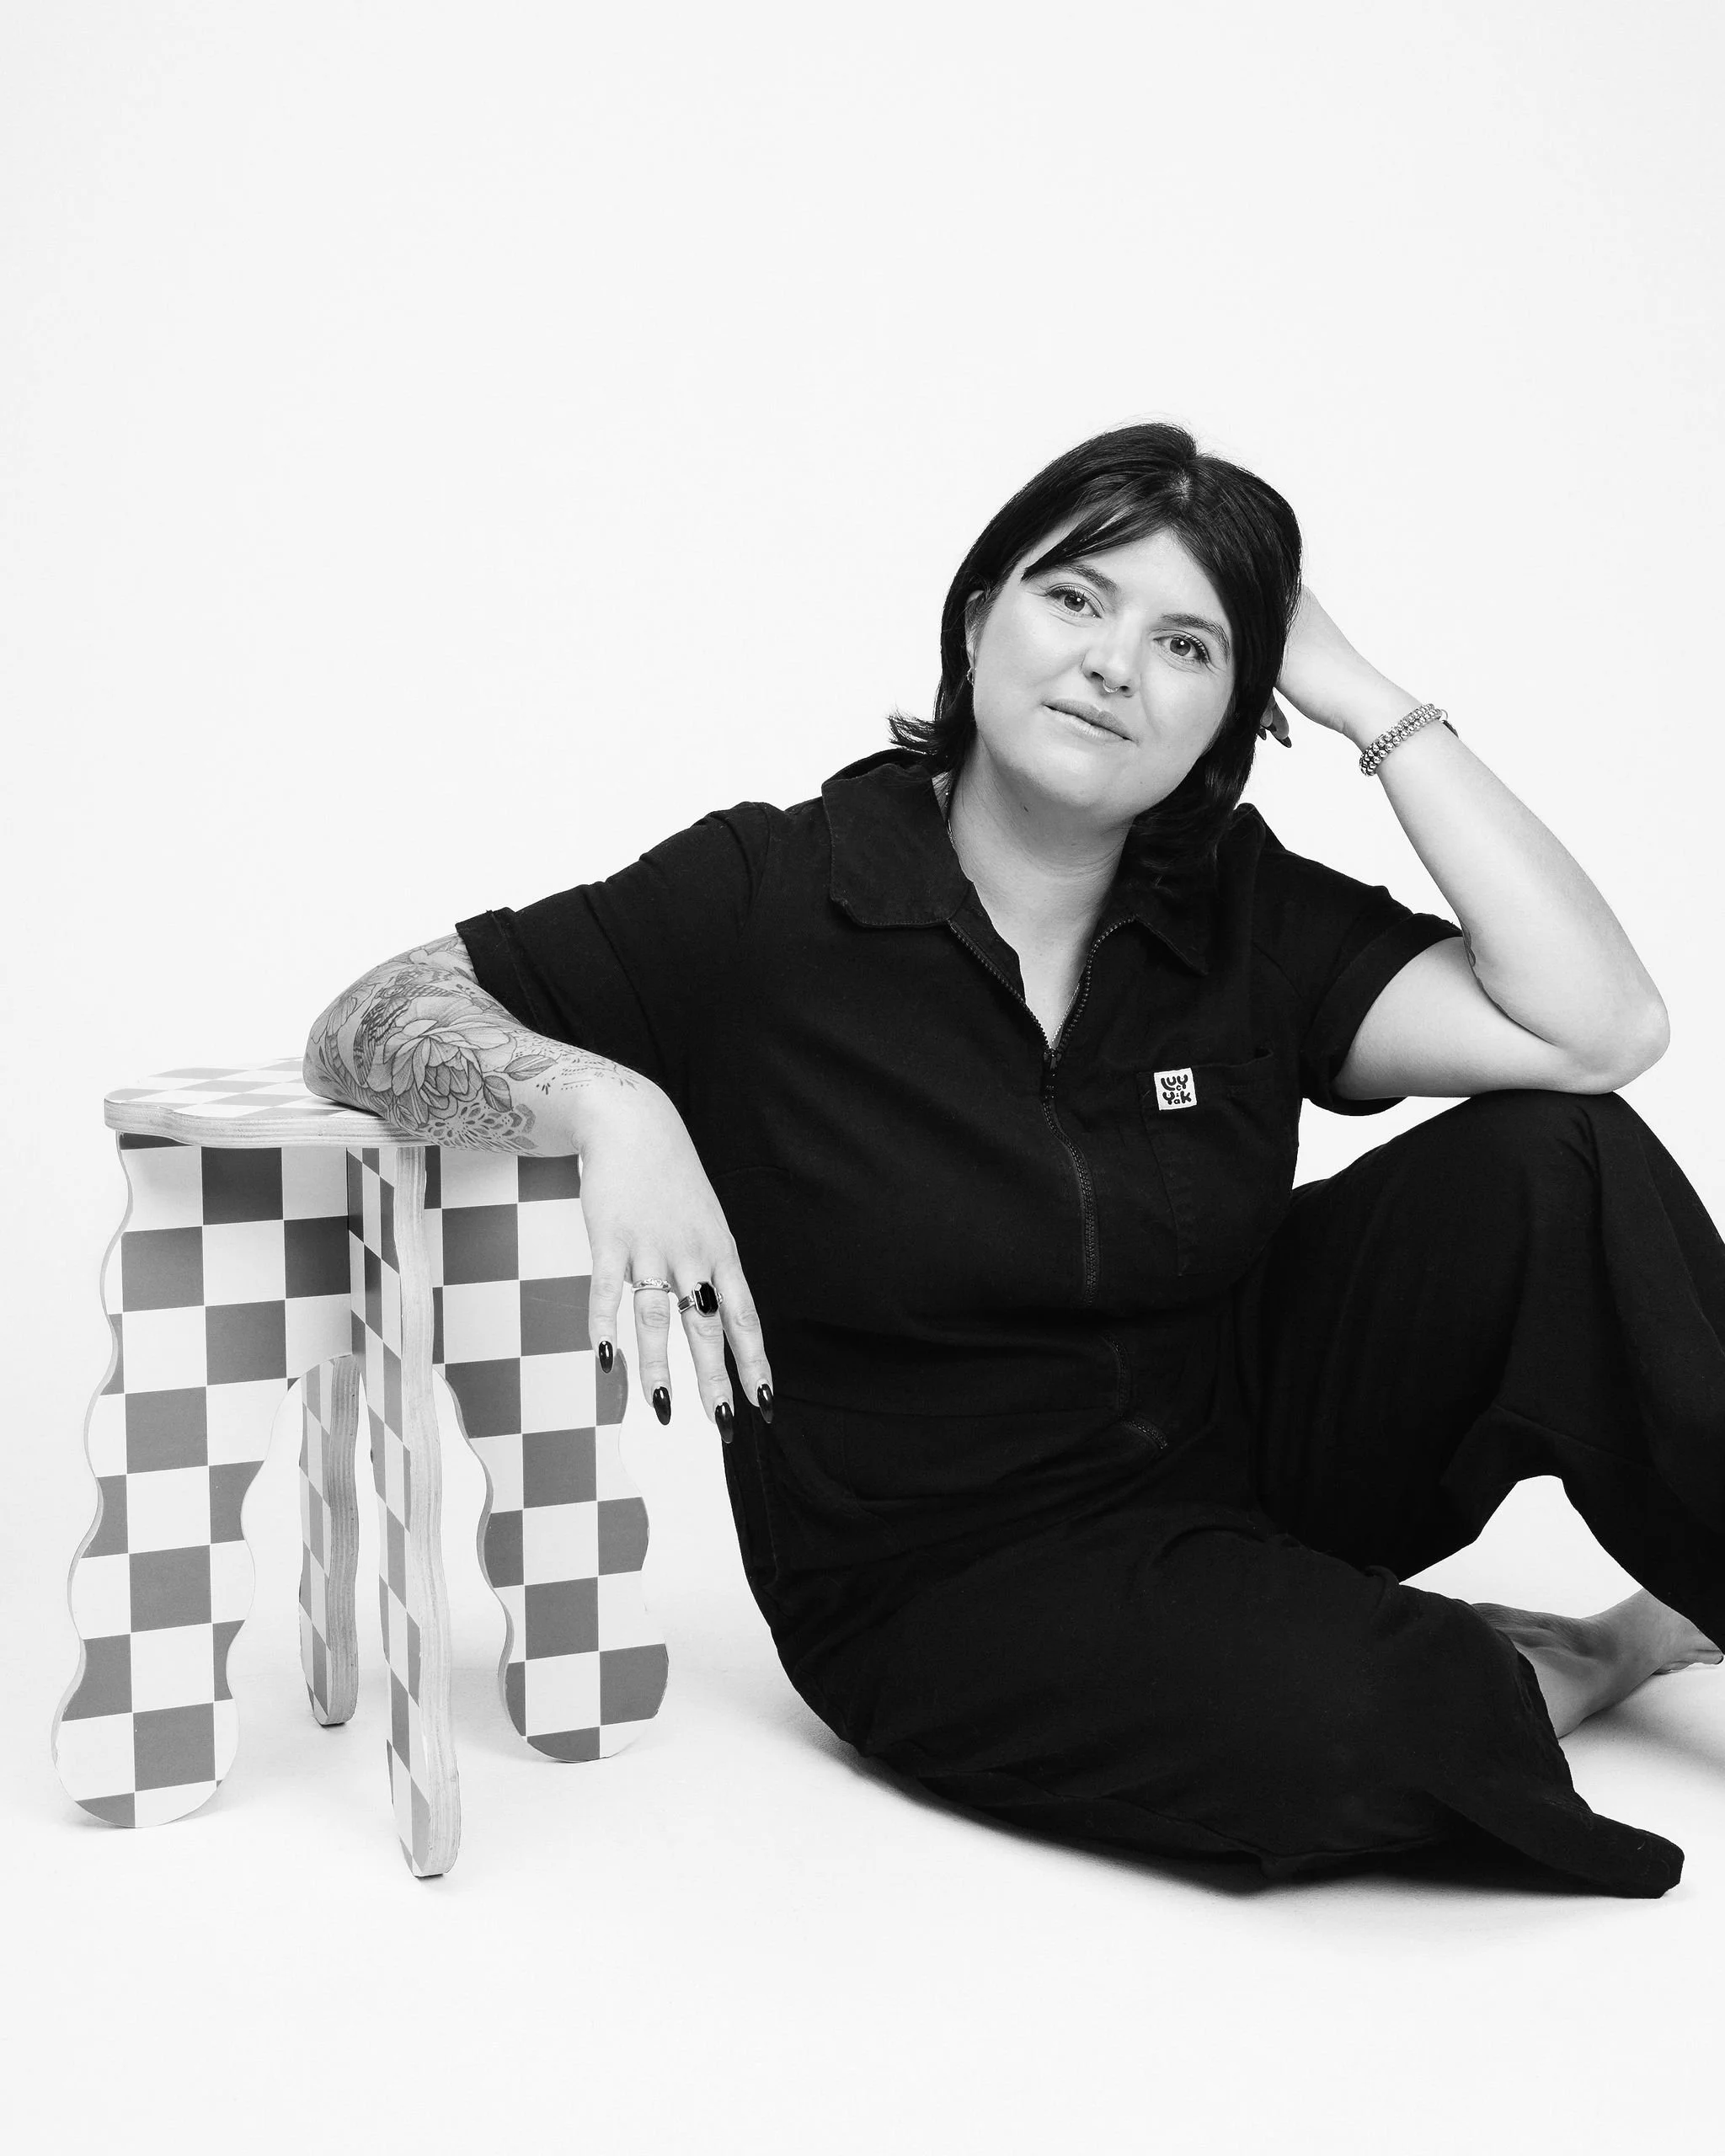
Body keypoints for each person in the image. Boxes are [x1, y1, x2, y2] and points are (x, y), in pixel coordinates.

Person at [306, 422, 1725, 1897]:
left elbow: (1599, 1029)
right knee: (1355, 1724)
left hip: (1243, 1443)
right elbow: (368, 1018)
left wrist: (1365, 695)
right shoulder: (771, 894)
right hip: (946, 1575)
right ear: (981, 617)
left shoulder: (1240, 907)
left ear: (1234, 715)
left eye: (1187, 645)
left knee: (1560, 1158)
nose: (1114, 664)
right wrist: (611, 1105)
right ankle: (1590, 1654)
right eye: (1077, 598)